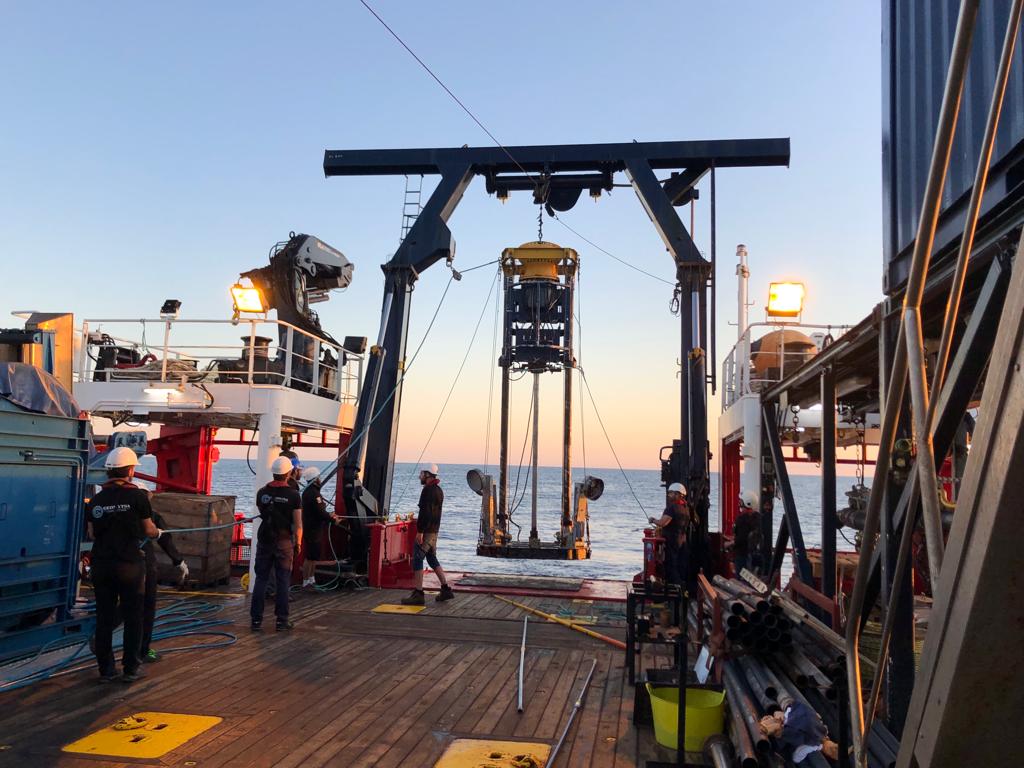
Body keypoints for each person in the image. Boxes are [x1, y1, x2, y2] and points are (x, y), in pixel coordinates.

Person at [85, 446, 161, 683]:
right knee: (133, 616)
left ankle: (105, 669)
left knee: (105, 616)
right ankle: (130, 667)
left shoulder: (96, 500)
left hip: (102, 564)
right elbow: (148, 529)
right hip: (129, 565)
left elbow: (92, 533)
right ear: (129, 470)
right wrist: (157, 532)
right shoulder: (138, 497)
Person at [250, 456, 302, 631]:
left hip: (265, 539)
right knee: (283, 580)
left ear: (273, 473)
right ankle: (282, 620)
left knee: (261, 579)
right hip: (283, 541)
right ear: (288, 473)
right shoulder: (294, 495)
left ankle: (256, 620)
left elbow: (263, 513)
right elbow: (298, 525)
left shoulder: (261, 493)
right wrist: (298, 543)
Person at [401, 463, 454, 606]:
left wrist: (420, 531)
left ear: (427, 475)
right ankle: (445, 589)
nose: (420, 476)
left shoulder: (428, 491)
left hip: (427, 532)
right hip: (434, 531)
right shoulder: (438, 490)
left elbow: (426, 513)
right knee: (431, 558)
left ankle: (418, 594)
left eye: (422, 473)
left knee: (417, 559)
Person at [300, 466, 342, 587]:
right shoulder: (314, 494)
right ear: (315, 479)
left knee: (312, 556)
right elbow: (320, 512)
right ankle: (306, 581)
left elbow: (317, 511)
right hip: (313, 529)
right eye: (318, 477)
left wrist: (329, 515)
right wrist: (333, 520)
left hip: (310, 528)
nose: (320, 479)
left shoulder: (308, 492)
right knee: (311, 557)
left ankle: (311, 579)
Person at [732, 489, 762, 575]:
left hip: (742, 556)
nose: (739, 504)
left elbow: (740, 539)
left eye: (741, 502)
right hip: (755, 556)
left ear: (747, 503)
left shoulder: (742, 520)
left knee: (742, 580)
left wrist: (729, 543)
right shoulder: (758, 518)